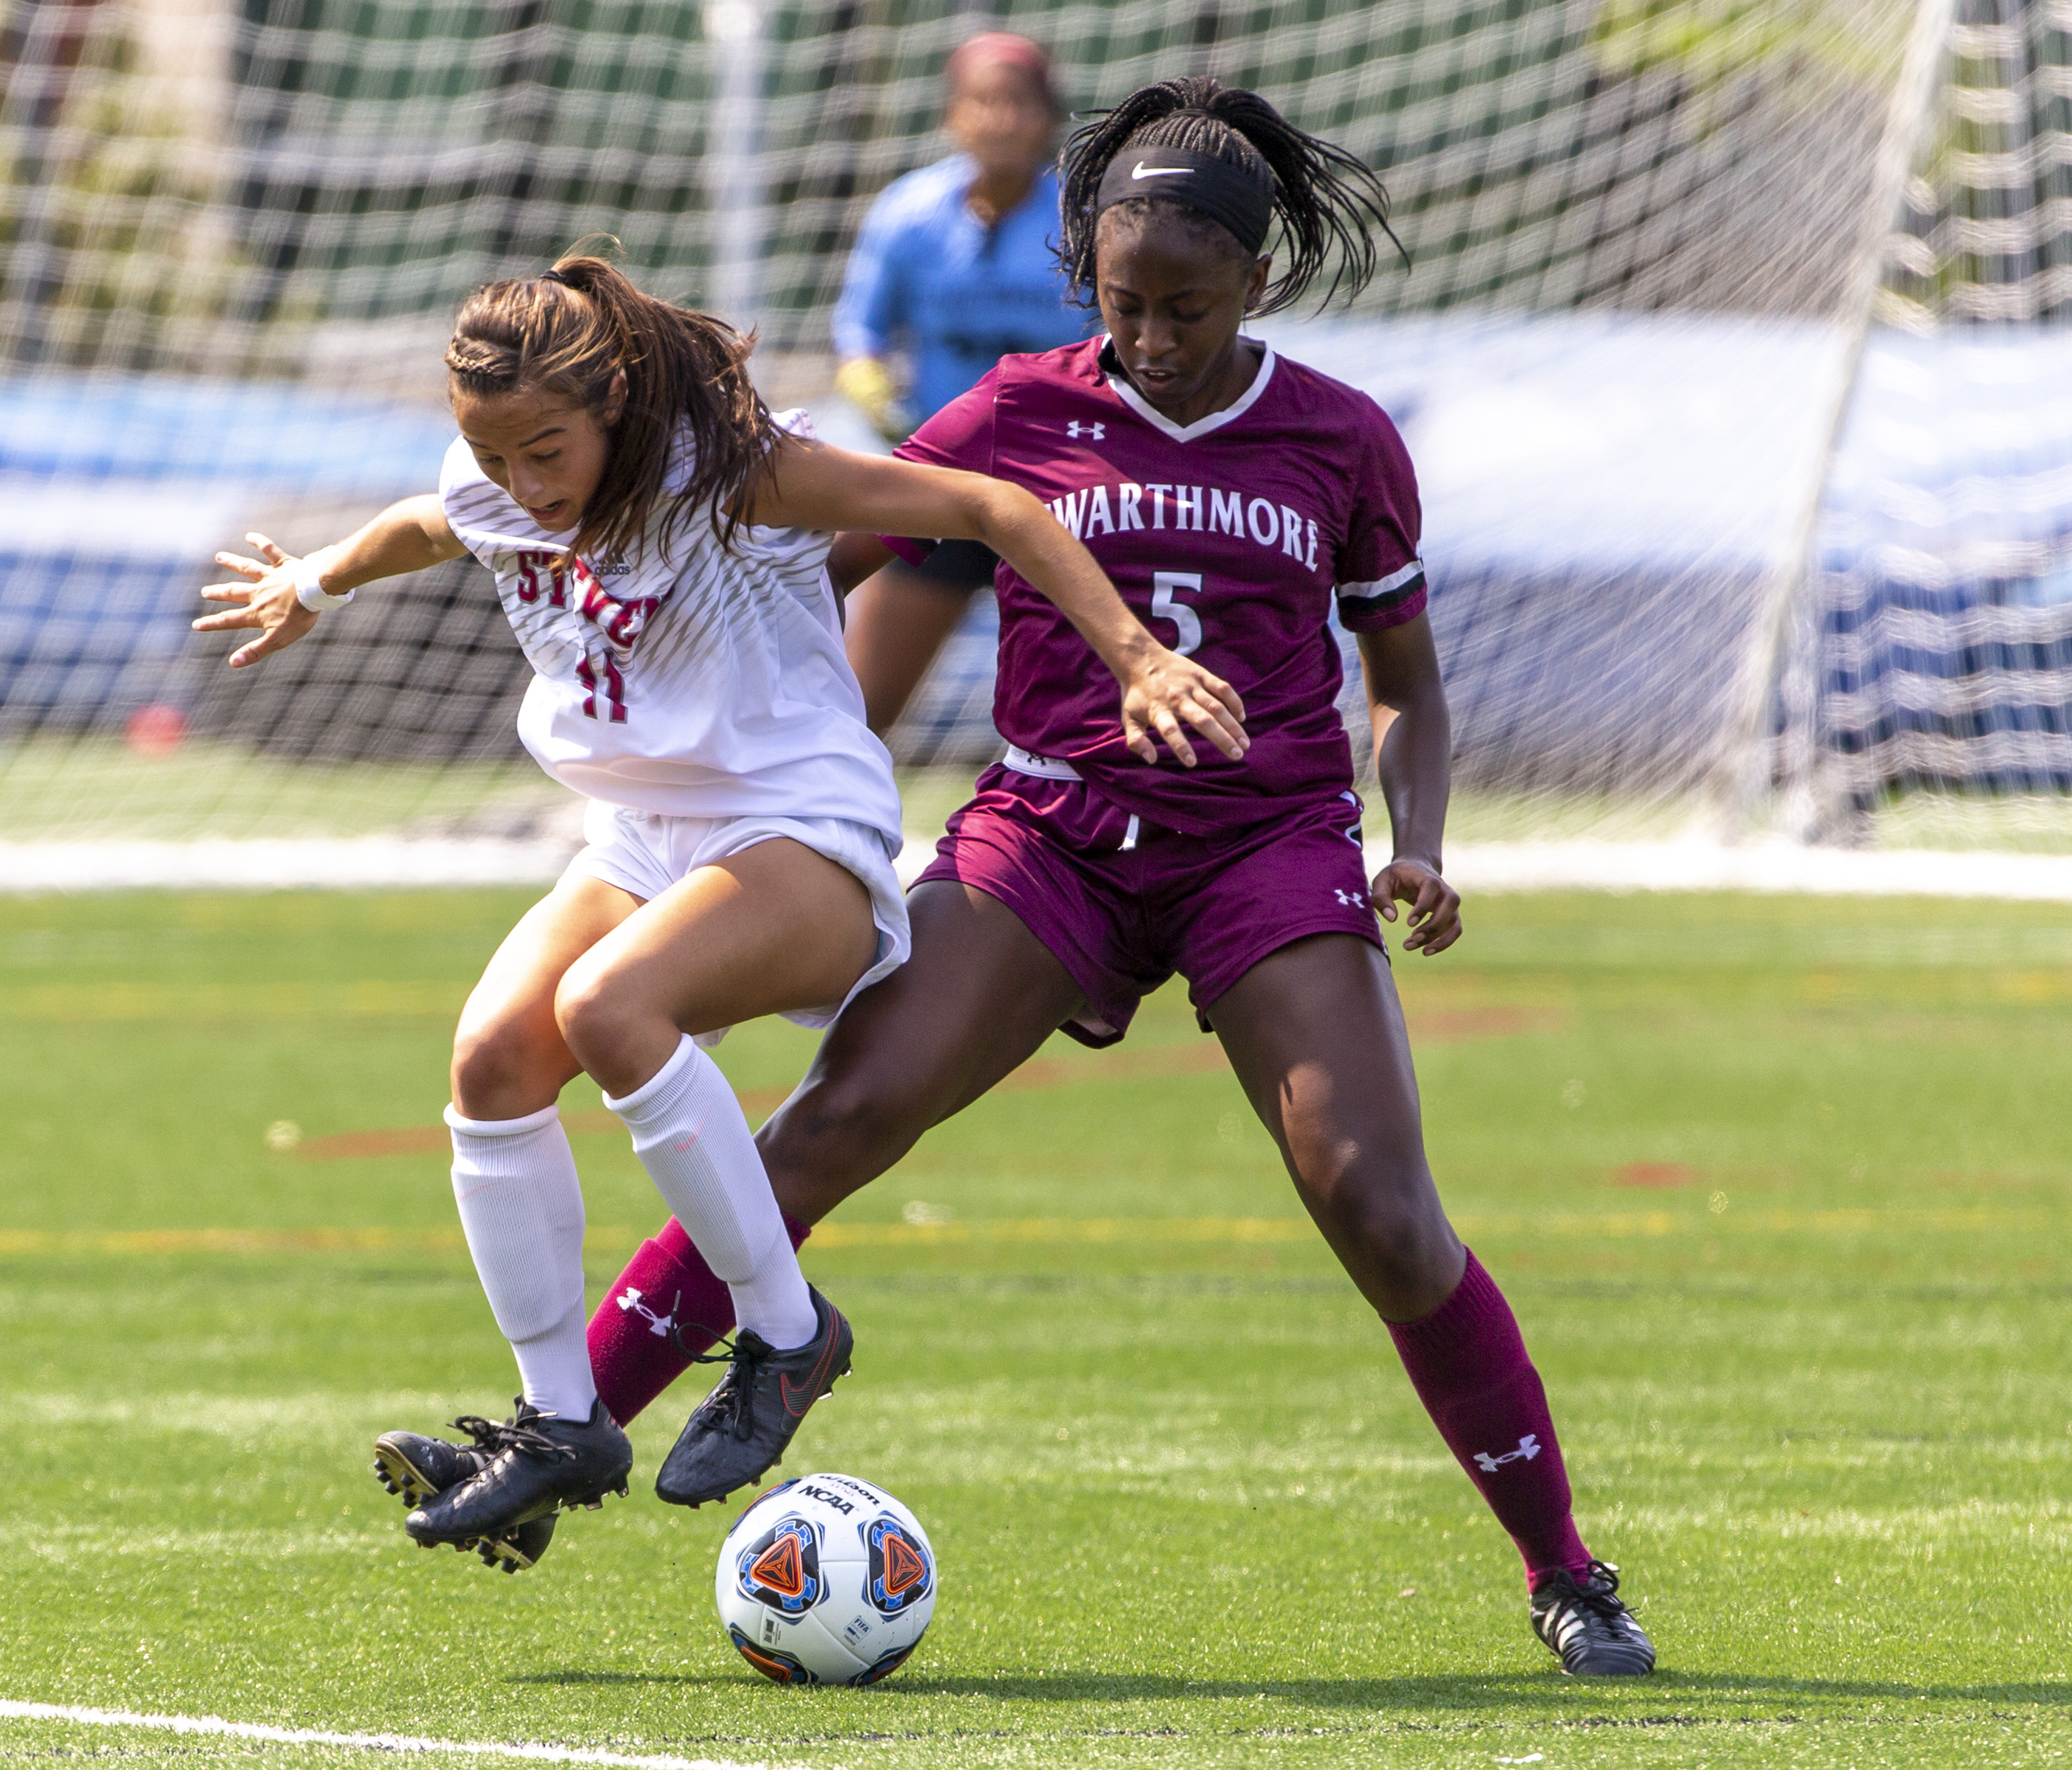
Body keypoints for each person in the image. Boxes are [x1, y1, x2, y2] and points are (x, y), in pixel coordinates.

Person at [566, 80, 1659, 1676]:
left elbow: (1408, 682)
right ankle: (562, 1424)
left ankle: (1567, 1569)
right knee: (843, 1117)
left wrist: (1413, 836)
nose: (1151, 334)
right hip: (1051, 839)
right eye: (1125, 302)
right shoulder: (1015, 410)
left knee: (1380, 1206)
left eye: (1189, 308)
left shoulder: (1344, 438)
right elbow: (818, 552)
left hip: (1264, 853)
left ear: (1258, 288)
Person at [198, 253, 1245, 1575]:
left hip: (799, 825)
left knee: (609, 1007)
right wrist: (318, 581)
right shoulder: (497, 481)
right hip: (642, 837)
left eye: (547, 451)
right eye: (495, 453)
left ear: (617, 401)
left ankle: (789, 1329)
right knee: (493, 1058)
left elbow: (993, 505)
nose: (525, 486)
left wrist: (1138, 657)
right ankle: (561, 1423)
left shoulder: (737, 470)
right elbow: (428, 520)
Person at [831, 31, 1096, 733]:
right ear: (953, 115)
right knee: (851, 718)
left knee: (1094, 720)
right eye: (984, 101)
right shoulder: (907, 214)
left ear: (1049, 116)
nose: (1002, 118)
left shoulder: (1087, 220)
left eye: (1020, 102)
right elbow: (859, 333)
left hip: (1062, 496)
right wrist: (876, 397)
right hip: (938, 491)